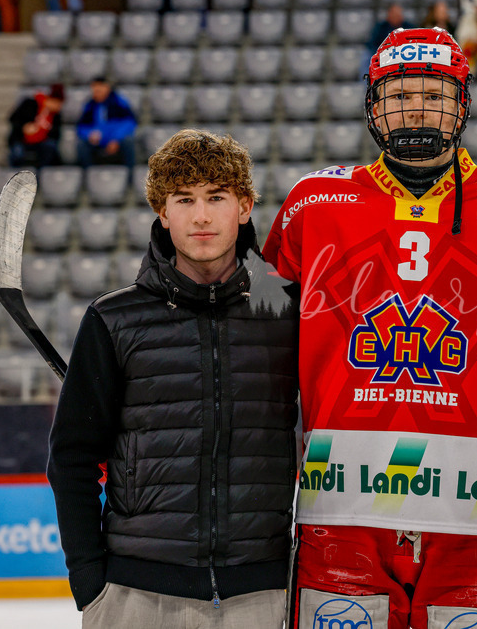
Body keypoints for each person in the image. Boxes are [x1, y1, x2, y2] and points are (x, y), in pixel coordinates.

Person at [262, 27, 477, 629]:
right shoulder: (313, 203)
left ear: (462, 102)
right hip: (342, 510)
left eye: (434, 94)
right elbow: (255, 332)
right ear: (374, 104)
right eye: (401, 94)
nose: (417, 108)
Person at [48, 128, 300, 627]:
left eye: (217, 197)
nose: (201, 215)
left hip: (262, 593)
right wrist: (92, 585)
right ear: (163, 212)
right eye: (184, 199)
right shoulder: (113, 319)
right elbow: (71, 457)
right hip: (135, 596)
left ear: (245, 207)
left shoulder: (289, 311)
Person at [76, 76, 138, 169]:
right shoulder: (90, 105)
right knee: (82, 145)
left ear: (107, 88)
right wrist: (89, 134)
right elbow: (81, 126)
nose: (96, 92)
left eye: (99, 89)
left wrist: (116, 139)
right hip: (98, 141)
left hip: (116, 140)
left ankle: (130, 177)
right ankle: (88, 175)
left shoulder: (119, 102)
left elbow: (129, 123)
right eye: (94, 90)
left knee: (128, 142)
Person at [8, 83, 64, 168]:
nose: (59, 107)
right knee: (17, 152)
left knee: (50, 149)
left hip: (42, 142)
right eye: (58, 103)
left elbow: (56, 135)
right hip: (22, 139)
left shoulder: (56, 116)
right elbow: (13, 119)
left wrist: (45, 132)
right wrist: (24, 127)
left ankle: (42, 174)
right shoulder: (30, 103)